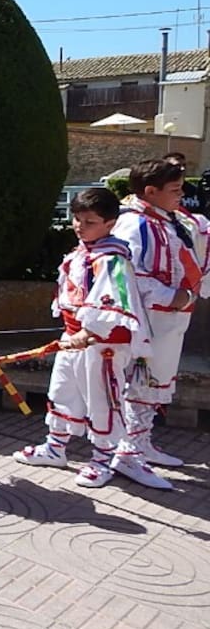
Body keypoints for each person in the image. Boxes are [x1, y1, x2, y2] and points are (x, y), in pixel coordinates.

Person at [13, 188, 150, 486]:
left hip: (103, 344)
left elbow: (115, 301)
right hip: (74, 337)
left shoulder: (113, 259)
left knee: (101, 398)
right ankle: (55, 447)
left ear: (110, 223)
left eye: (90, 222)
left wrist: (90, 331)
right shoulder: (82, 253)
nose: (80, 226)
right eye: (77, 219)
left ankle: (102, 459)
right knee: (63, 389)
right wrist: (76, 332)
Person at [110, 158, 205, 488]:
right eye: (175, 189)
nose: (181, 195)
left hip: (169, 319)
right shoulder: (133, 225)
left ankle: (141, 443)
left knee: (155, 382)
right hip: (148, 321)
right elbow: (127, 275)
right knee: (141, 383)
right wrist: (172, 295)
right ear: (151, 192)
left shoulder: (169, 219)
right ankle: (128, 453)